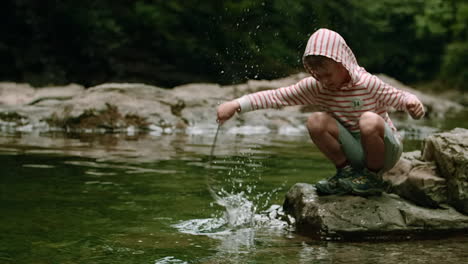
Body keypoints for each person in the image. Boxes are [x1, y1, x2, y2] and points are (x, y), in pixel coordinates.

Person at [216, 28, 424, 196]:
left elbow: (400, 97)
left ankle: (372, 179)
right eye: (318, 76)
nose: (324, 81)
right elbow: (277, 96)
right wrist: (236, 104)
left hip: (385, 151)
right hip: (355, 153)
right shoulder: (316, 86)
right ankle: (346, 173)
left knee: (368, 120)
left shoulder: (366, 83)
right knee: (316, 121)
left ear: (343, 62)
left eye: (328, 75)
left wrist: (414, 105)